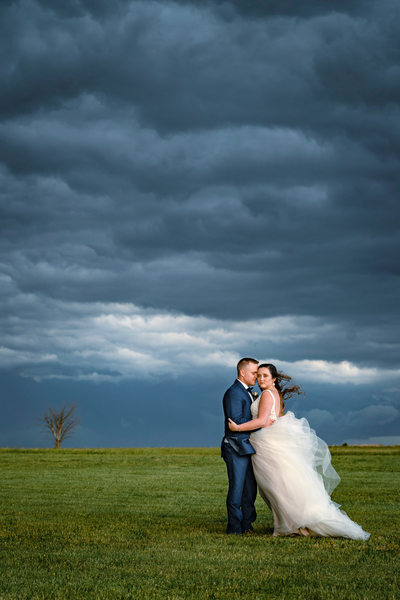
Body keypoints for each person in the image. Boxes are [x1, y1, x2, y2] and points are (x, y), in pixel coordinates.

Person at [228, 363, 370, 540]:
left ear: (274, 379)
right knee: (279, 486)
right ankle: (289, 524)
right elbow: (273, 418)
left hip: (267, 445)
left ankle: (287, 526)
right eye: (259, 375)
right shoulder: (274, 393)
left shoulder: (266, 393)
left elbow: (263, 421)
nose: (261, 379)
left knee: (275, 487)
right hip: (269, 442)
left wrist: (238, 427)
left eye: (265, 376)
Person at [221, 357, 260, 534]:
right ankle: (234, 527)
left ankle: (247, 524)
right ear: (242, 373)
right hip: (235, 446)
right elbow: (235, 421)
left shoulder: (246, 392)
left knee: (250, 489)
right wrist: (261, 421)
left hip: (247, 446)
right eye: (254, 373)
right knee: (237, 489)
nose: (257, 377)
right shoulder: (234, 392)